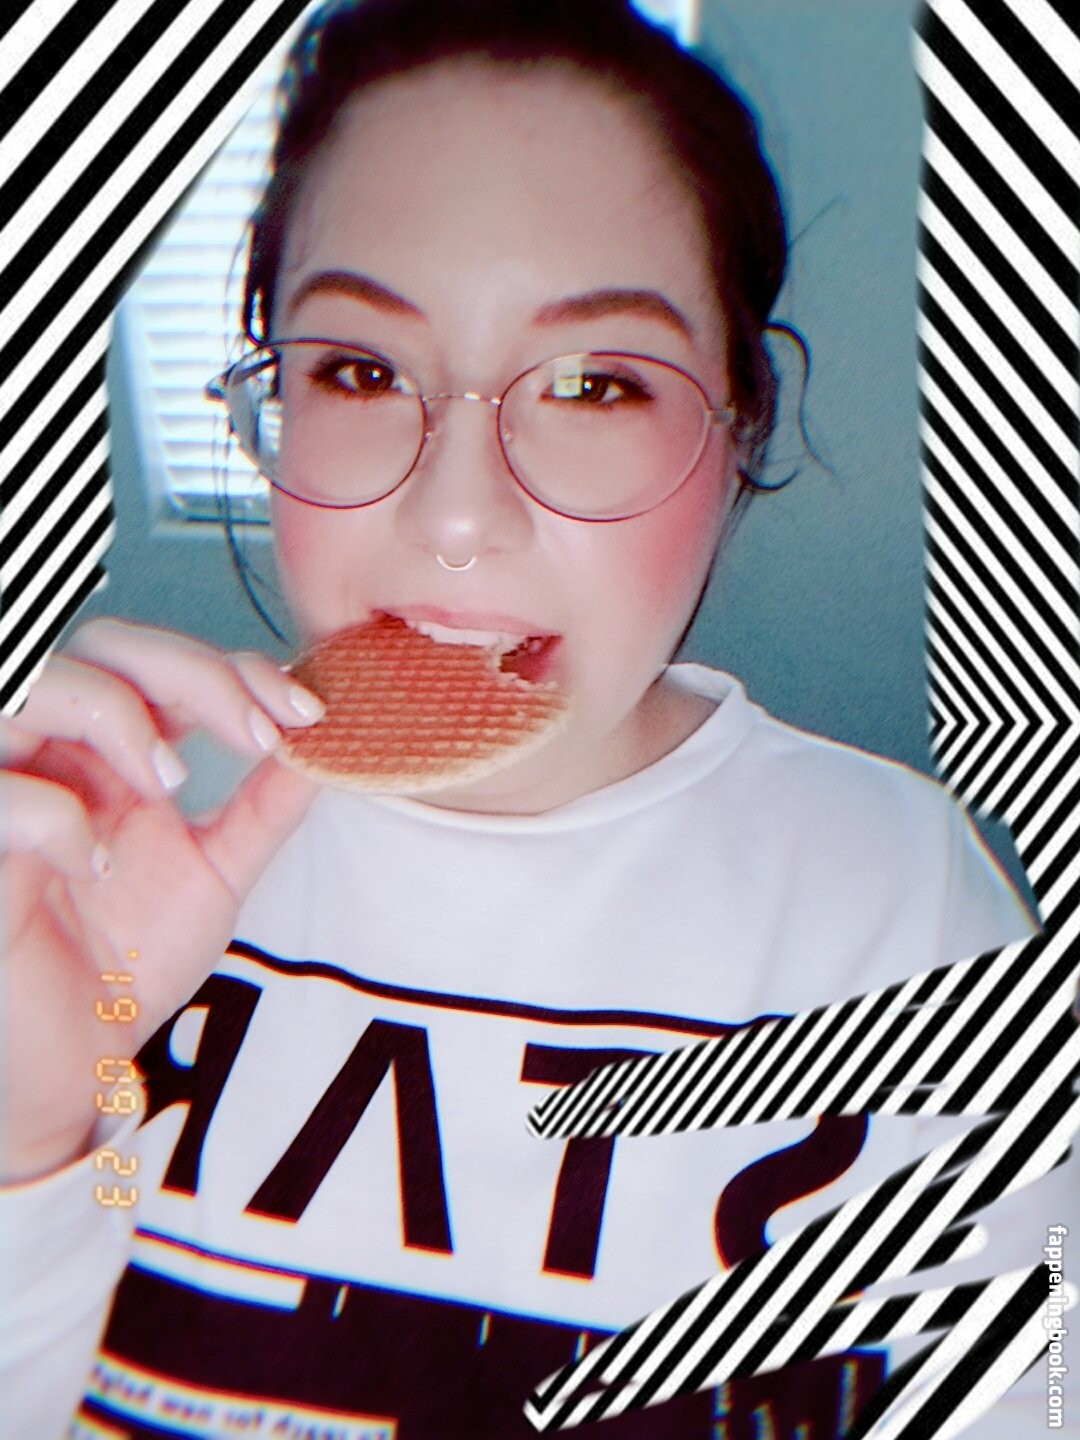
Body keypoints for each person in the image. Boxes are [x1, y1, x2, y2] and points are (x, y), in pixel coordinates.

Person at [0, 2, 1049, 1436]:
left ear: (741, 424)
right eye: (361, 370)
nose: (456, 517)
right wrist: (34, 1137)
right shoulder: (93, 841)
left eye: (593, 384)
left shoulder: (904, 906)